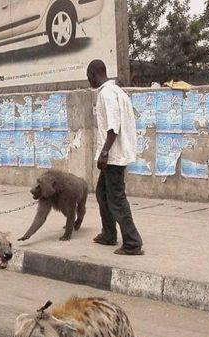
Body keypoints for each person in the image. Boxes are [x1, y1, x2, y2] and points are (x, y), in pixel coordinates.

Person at [87, 59, 144, 256]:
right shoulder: (118, 91)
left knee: (116, 199)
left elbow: (113, 128)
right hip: (116, 154)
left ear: (94, 74)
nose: (89, 81)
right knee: (102, 193)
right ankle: (109, 234)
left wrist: (104, 153)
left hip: (113, 156)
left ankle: (132, 242)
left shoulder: (107, 94)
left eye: (89, 77)